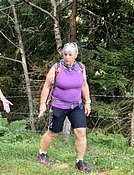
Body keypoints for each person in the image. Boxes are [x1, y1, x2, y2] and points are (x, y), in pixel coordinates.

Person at [37, 42, 92, 172]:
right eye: (65, 54)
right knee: (54, 132)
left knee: (81, 132)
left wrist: (87, 101)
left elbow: (84, 85)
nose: (67, 57)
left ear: (76, 55)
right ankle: (42, 153)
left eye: (70, 55)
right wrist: (42, 105)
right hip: (58, 105)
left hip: (76, 105)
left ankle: (80, 161)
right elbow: (46, 86)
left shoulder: (80, 68)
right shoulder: (56, 68)